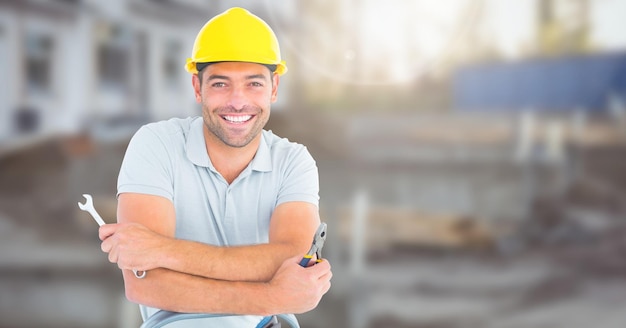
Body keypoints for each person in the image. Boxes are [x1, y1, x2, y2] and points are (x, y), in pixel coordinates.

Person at [98, 7, 332, 327]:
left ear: (274, 88)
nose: (238, 101)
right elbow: (144, 283)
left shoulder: (294, 162)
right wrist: (274, 296)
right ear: (197, 87)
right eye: (221, 84)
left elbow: (292, 259)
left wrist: (164, 251)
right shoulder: (156, 145)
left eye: (254, 84)